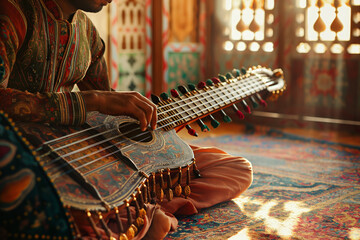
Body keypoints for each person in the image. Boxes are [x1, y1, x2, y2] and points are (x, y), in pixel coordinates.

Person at [0, 0, 253, 239]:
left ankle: (138, 212)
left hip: (86, 147)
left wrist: (131, 110)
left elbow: (107, 110)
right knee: (38, 205)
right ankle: (133, 215)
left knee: (236, 169)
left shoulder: (86, 33)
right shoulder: (14, 14)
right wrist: (94, 101)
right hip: (29, 155)